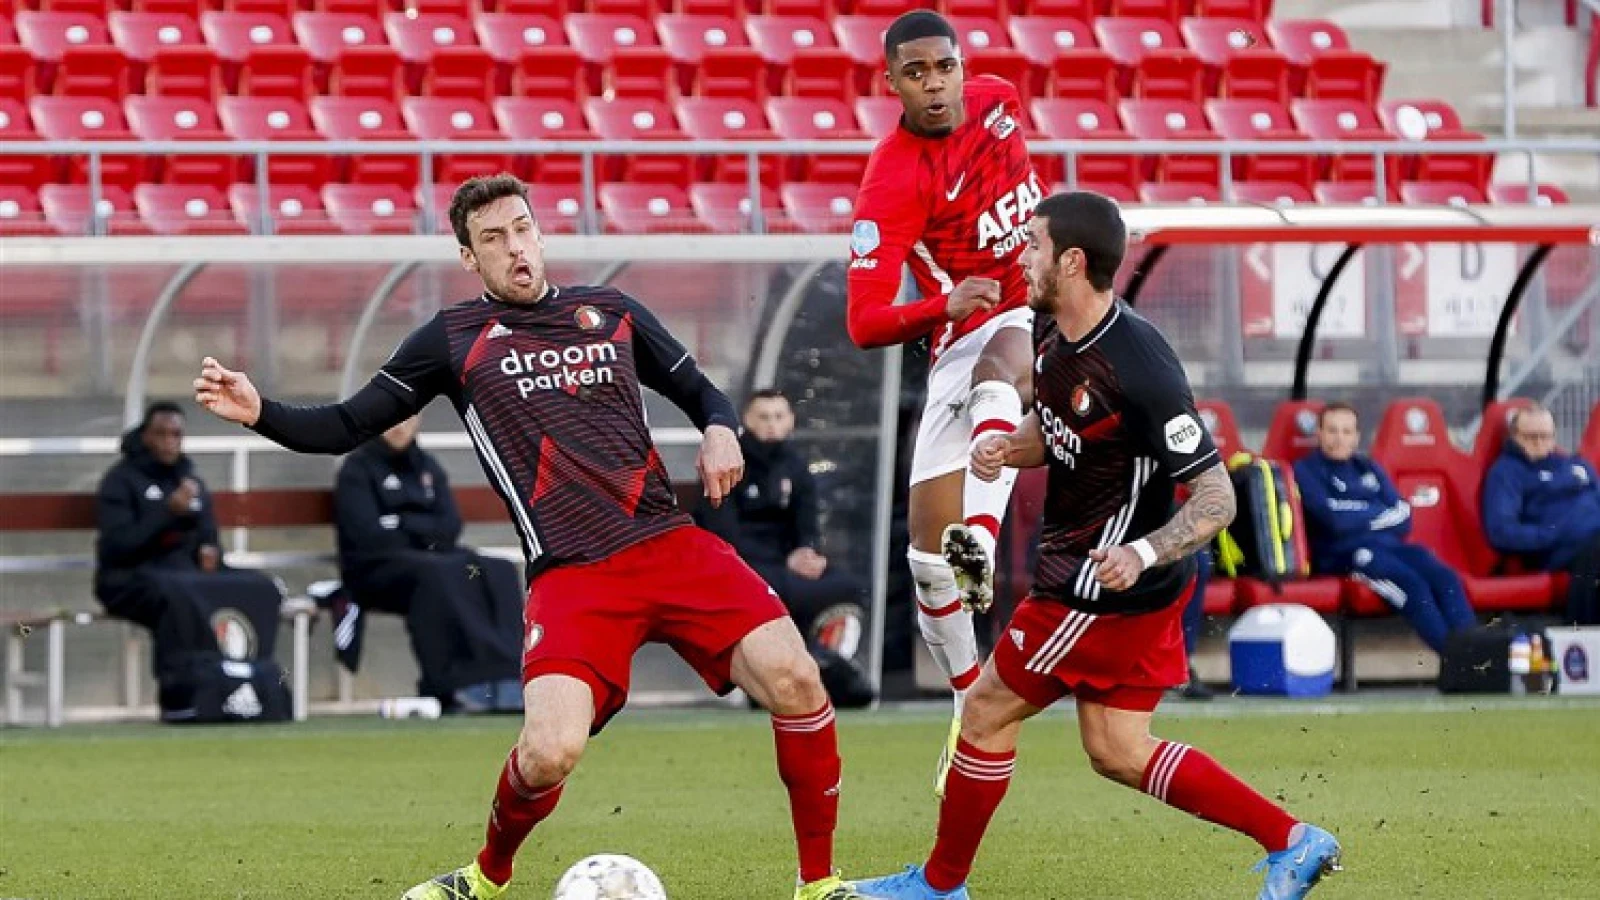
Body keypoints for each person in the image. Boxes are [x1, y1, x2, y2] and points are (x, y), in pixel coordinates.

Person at [195, 174, 862, 900]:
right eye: (493, 239)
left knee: (798, 680)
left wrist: (722, 430)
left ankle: (819, 884)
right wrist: (262, 410)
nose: (514, 247)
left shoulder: (610, 312)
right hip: (573, 573)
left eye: (521, 229)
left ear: (540, 236)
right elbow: (347, 424)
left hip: (669, 543)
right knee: (547, 753)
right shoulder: (451, 340)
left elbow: (703, 392)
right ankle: (485, 878)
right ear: (468, 258)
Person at [853, 192, 1341, 900]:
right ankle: (1293, 841)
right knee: (1117, 749)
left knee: (986, 708)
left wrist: (1140, 553)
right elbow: (1061, 432)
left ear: (1072, 261)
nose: (1021, 257)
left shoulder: (1139, 364)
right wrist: (1004, 449)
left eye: (1033, 247)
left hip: (1098, 588)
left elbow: (1216, 497)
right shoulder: (1051, 331)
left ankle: (938, 885)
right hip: (1124, 588)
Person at [846, 8, 1044, 793]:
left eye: (945, 67)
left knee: (1007, 363)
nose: (936, 85)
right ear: (889, 81)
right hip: (959, 334)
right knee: (928, 562)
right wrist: (943, 304)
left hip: (1042, 317)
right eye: (916, 72)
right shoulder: (890, 179)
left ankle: (985, 548)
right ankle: (973, 711)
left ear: (965, 67)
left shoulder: (1002, 99)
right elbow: (863, 322)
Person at [334, 415, 526, 712]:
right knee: (441, 572)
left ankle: (507, 676)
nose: (399, 425)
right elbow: (368, 535)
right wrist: (425, 530)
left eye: (407, 418)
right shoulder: (357, 469)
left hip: (432, 559)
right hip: (373, 571)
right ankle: (455, 684)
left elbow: (450, 526)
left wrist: (401, 522)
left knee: (496, 568)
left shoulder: (427, 467)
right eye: (392, 418)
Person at [695, 390, 874, 708]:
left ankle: (829, 667)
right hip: (743, 565)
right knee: (766, 590)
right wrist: (779, 561)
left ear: (791, 420)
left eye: (779, 417)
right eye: (763, 417)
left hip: (788, 566)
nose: (772, 425)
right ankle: (767, 679)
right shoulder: (728, 463)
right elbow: (722, 533)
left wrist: (806, 551)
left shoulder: (795, 465)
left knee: (848, 587)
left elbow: (807, 522)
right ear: (746, 421)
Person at [95, 402, 283, 684]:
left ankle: (253, 680)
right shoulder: (121, 481)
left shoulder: (190, 480)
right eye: (161, 434)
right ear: (146, 436)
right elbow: (116, 547)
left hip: (188, 575)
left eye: (176, 435)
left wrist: (210, 552)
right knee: (179, 596)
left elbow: (209, 537)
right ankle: (182, 688)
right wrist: (167, 512)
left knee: (263, 588)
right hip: (129, 579)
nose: (169, 442)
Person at [1294, 403, 1477, 654]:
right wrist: (1376, 511)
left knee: (1447, 578)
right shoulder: (1305, 470)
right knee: (1413, 586)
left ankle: (1477, 655)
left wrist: (1353, 513)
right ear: (1319, 434)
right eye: (1332, 431)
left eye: (1347, 432)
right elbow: (1332, 520)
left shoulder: (1367, 467)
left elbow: (1404, 518)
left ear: (1357, 436)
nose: (1339, 438)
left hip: (1390, 547)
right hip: (1345, 555)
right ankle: (1457, 660)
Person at [1482, 405, 1600, 624]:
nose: (1539, 443)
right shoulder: (1507, 473)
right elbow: (1502, 531)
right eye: (1531, 437)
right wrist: (1551, 535)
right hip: (1560, 548)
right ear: (1514, 437)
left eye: (1546, 436)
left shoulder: (1575, 465)